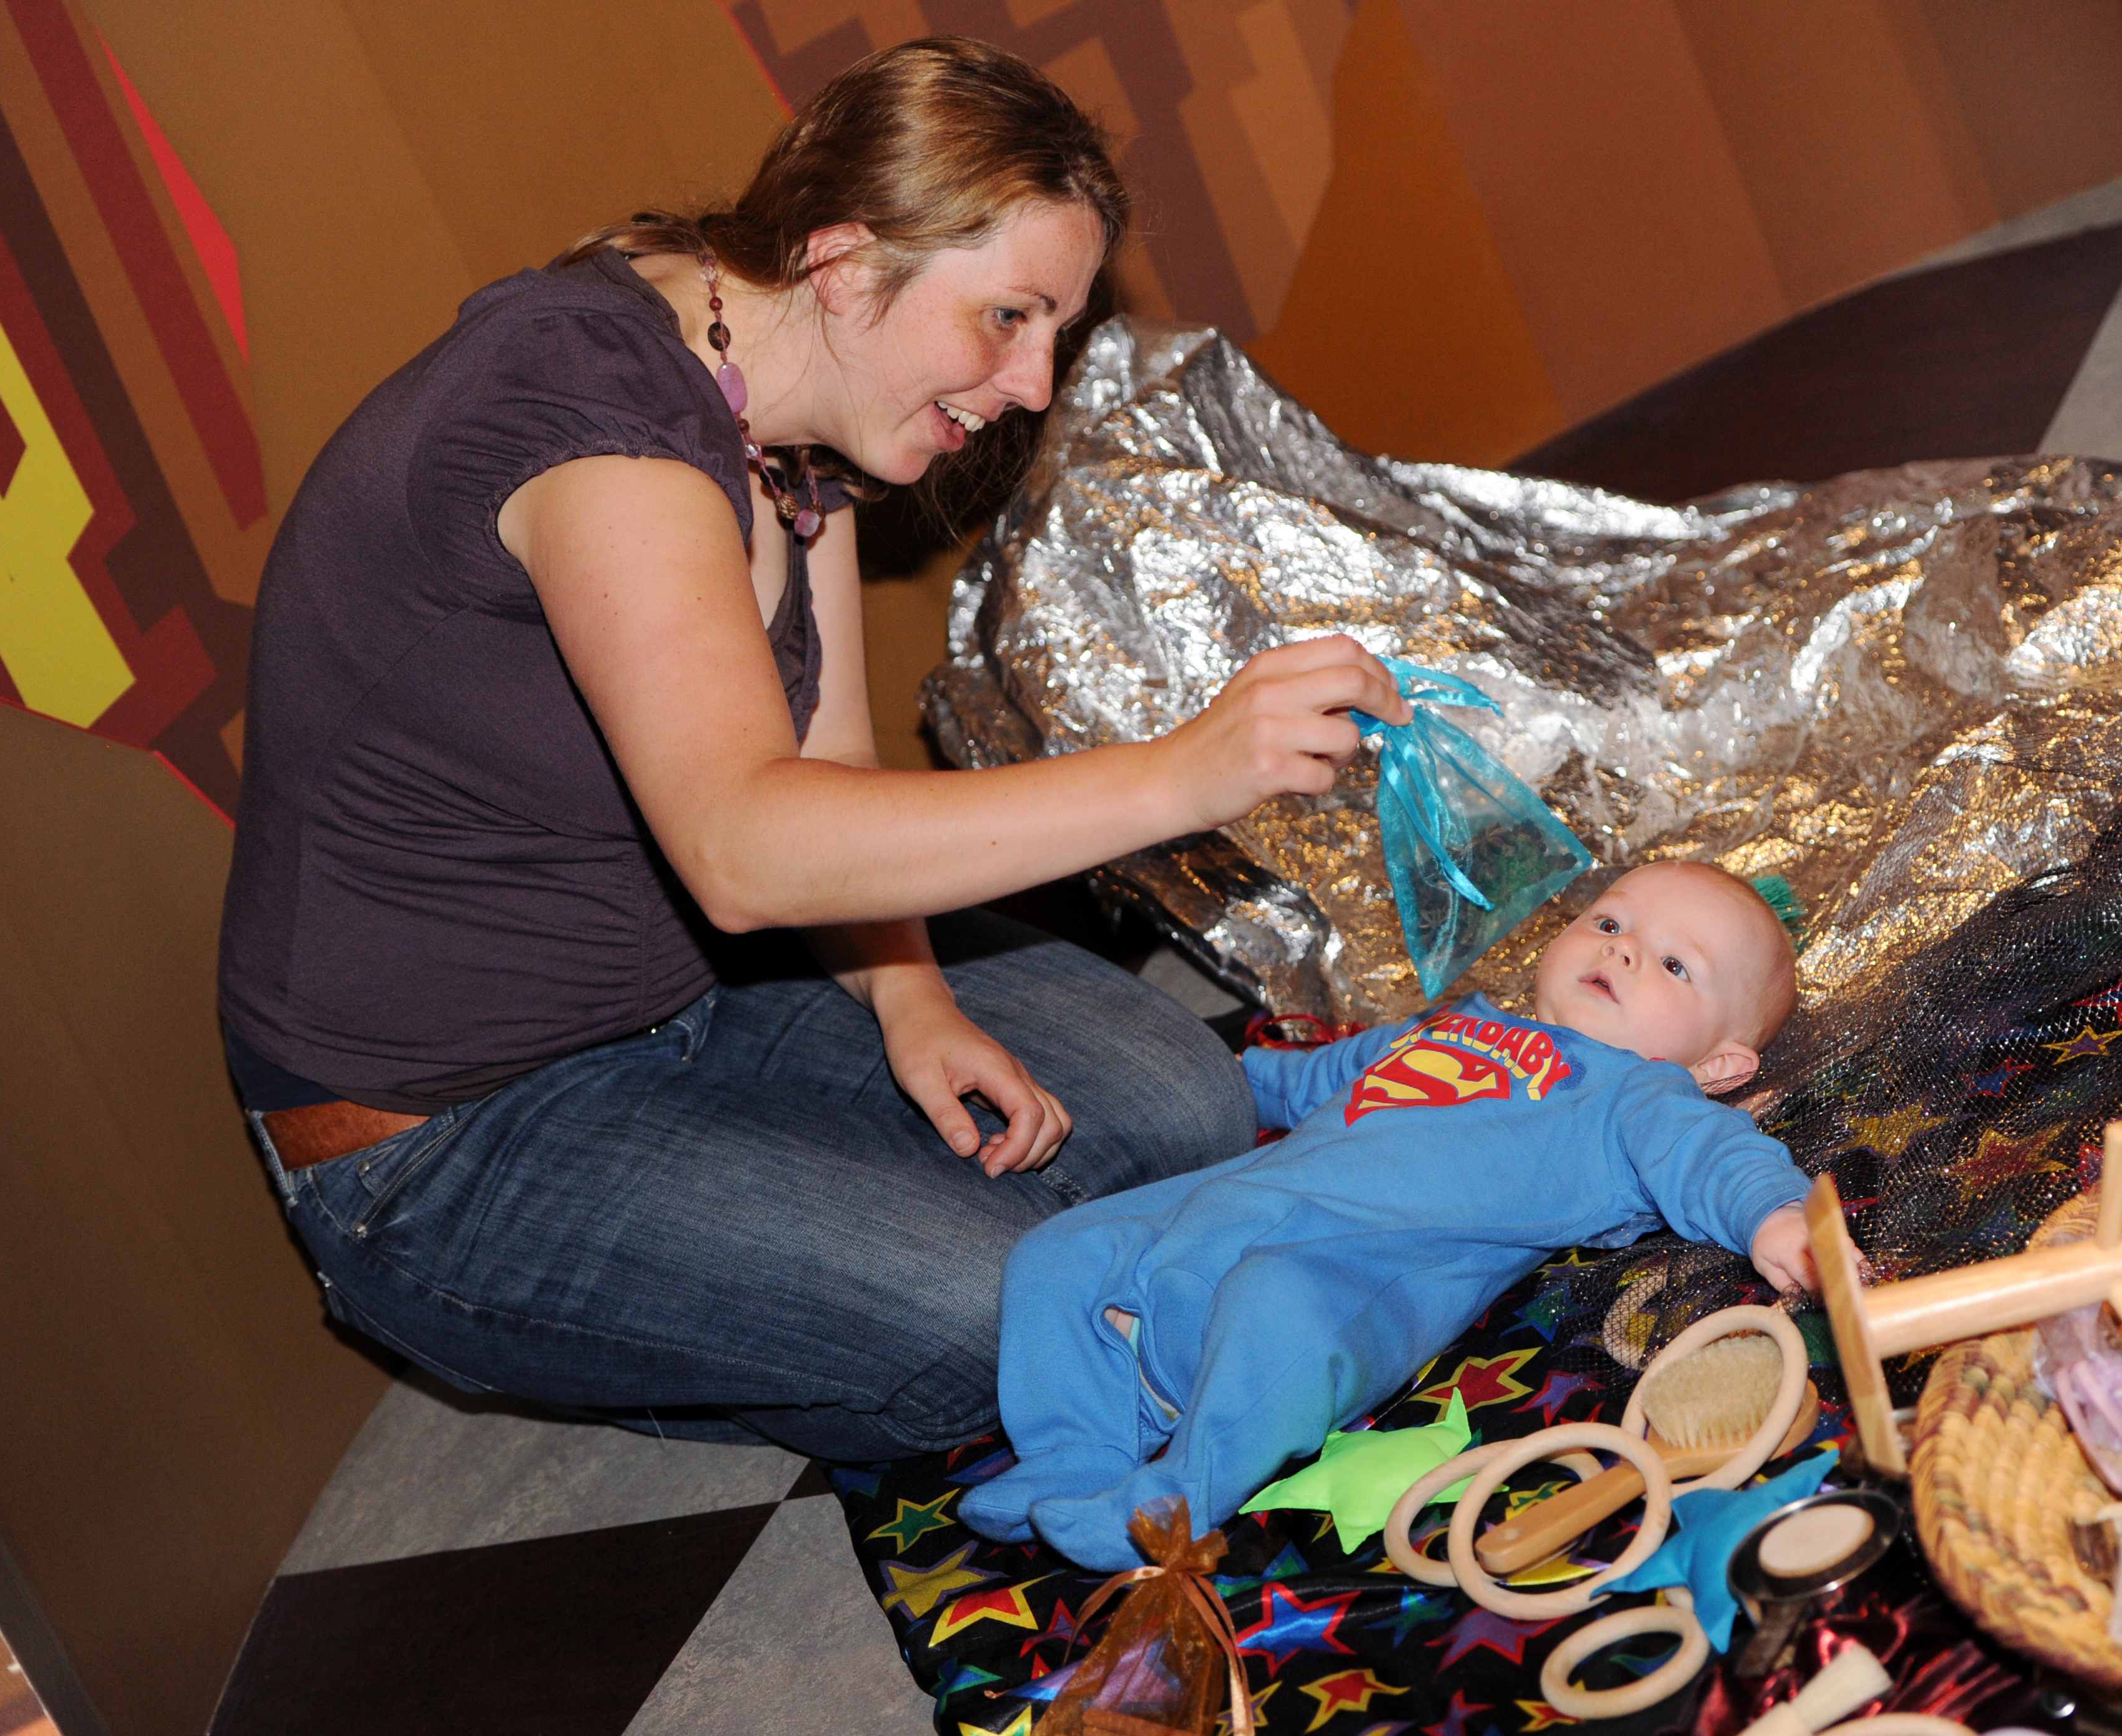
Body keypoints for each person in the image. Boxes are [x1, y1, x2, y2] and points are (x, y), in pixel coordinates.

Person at [215, 36, 1408, 1461]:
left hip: (696, 993)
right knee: (999, 1324)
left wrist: (909, 999)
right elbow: (741, 849)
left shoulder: (785, 417)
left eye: (1055, 334)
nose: (1031, 383)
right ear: (844, 263)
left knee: (1180, 1104)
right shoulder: (591, 426)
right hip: (449, 1138)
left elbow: (826, 783)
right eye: (1008, 318)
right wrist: (1181, 771)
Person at [959, 860, 1817, 1569]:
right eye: (1609, 923)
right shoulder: (1451, 1026)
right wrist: (1184, 1071)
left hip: (1344, 1272)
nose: (1625, 952)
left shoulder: (1636, 1095)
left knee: (1281, 1311)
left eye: (1676, 966)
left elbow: (1713, 1158)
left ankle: (1175, 1500)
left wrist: (1776, 1217)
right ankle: (1073, 1455)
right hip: (1219, 1213)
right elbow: (1300, 1080)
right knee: (1059, 1254)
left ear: (1723, 1064)